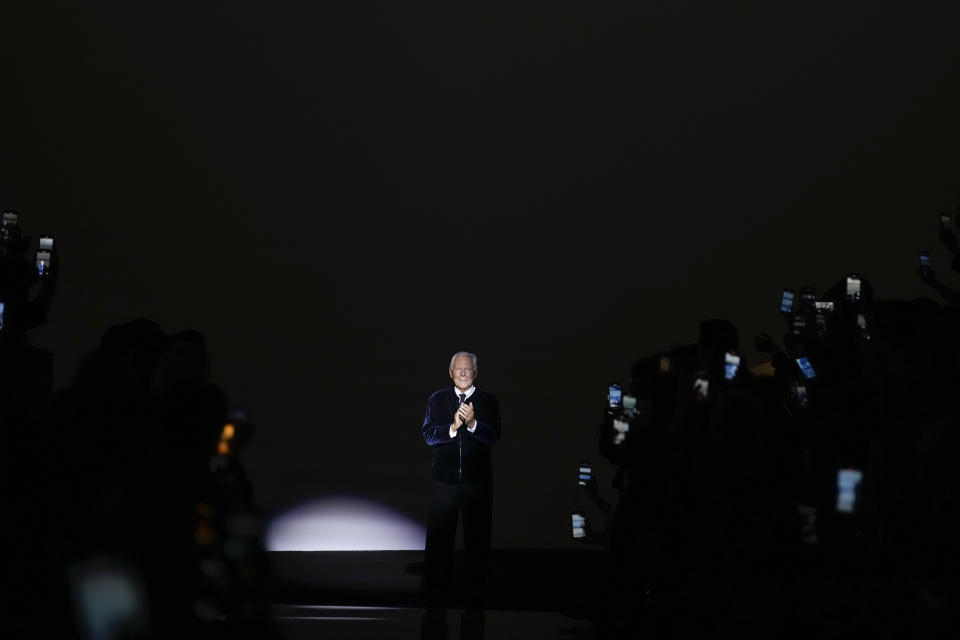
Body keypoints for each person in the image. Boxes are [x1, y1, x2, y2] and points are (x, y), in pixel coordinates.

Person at [421, 351, 501, 610]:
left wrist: (474, 423)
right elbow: (429, 436)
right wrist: (453, 427)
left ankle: (475, 598)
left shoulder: (488, 400)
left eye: (468, 369)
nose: (463, 373)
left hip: (477, 484)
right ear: (451, 372)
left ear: (476, 373)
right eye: (459, 369)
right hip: (444, 483)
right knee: (439, 543)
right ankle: (434, 598)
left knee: (477, 542)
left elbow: (493, 438)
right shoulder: (438, 399)